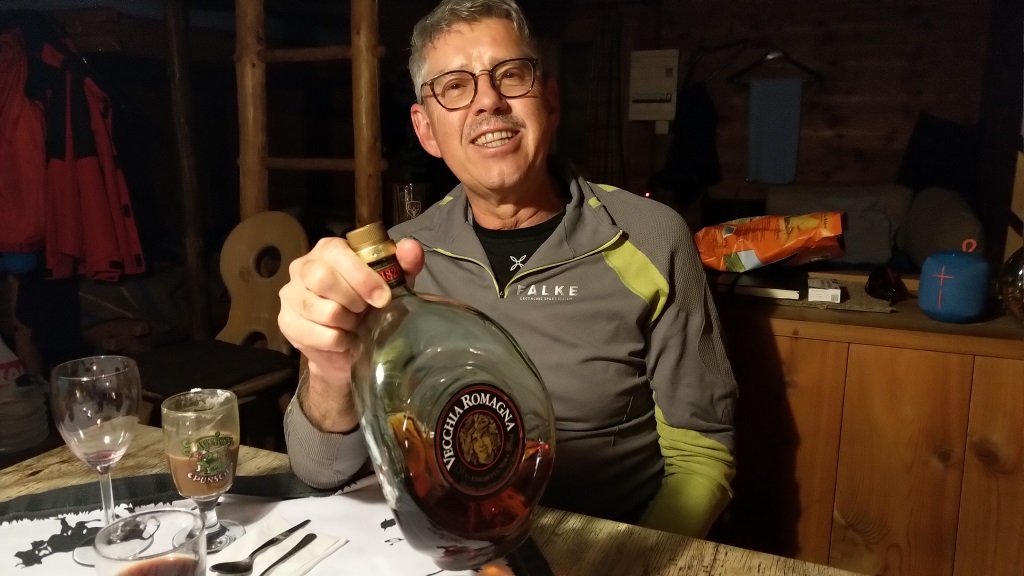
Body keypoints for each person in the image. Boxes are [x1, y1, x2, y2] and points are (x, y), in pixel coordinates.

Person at [278, 0, 738, 538]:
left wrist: (628, 564)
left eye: (511, 75)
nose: (489, 101)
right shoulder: (398, 265)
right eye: (455, 86)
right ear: (426, 130)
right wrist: (329, 373)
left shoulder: (651, 236)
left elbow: (702, 455)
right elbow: (321, 471)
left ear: (551, 102)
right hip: (453, 549)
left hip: (603, 548)